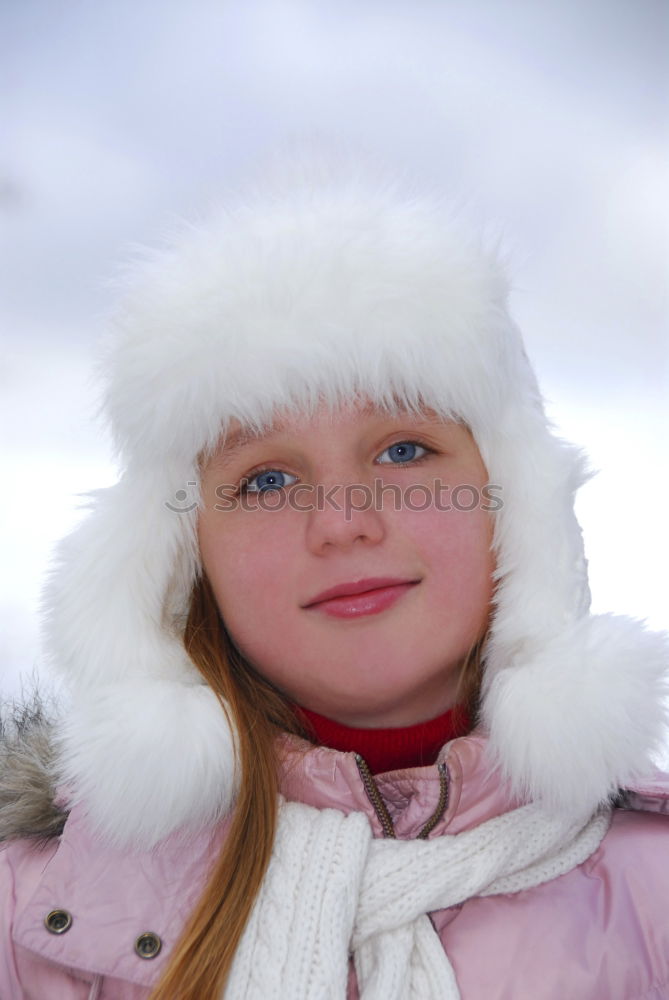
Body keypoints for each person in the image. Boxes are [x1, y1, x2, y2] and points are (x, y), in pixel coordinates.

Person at [1, 154, 668, 1000]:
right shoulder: (33, 914)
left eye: (402, 450)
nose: (343, 521)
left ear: (515, 505)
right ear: (182, 560)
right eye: (267, 480)